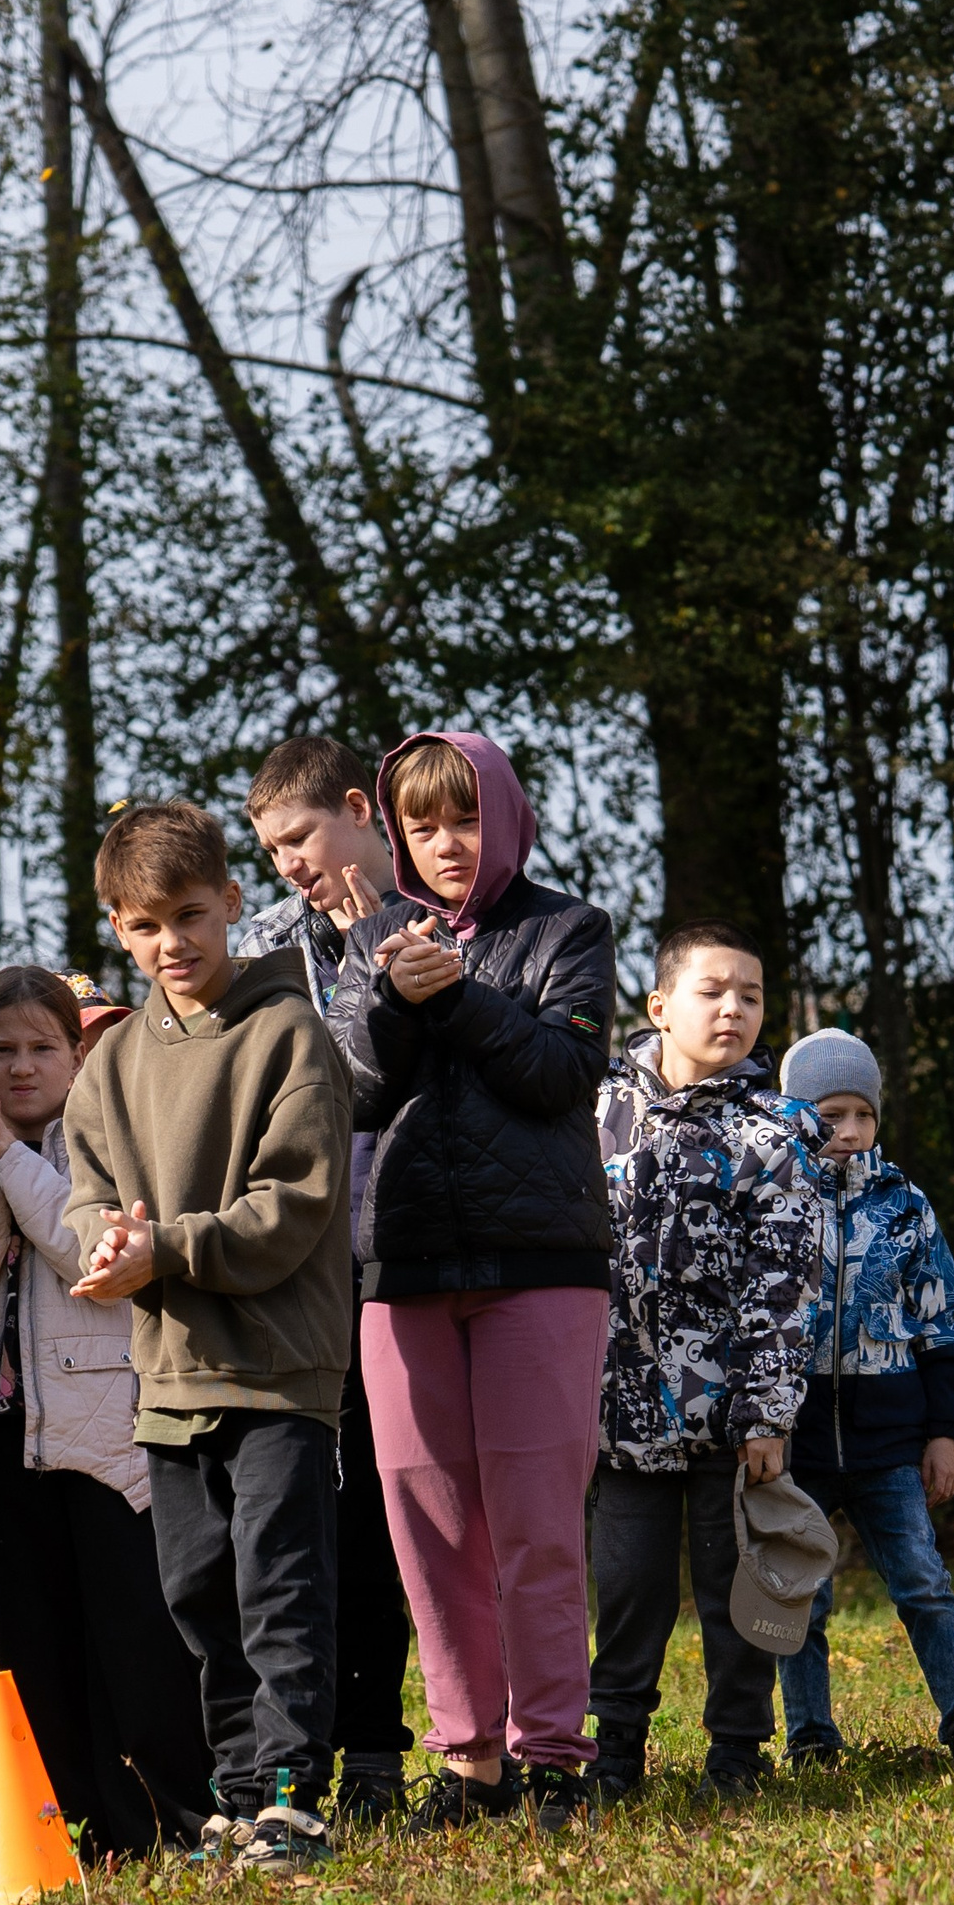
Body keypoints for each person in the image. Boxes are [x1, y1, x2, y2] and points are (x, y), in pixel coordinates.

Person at [321, 733, 616, 1836]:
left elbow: (560, 1072)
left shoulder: (567, 927)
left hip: (541, 1267)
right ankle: (471, 1761)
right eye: (422, 823)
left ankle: (551, 1759)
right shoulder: (373, 938)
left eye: (465, 819)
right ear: (395, 830)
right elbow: (351, 1085)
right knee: (427, 1528)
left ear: (504, 815)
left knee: (536, 1523)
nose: (446, 843)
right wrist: (396, 987)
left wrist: (452, 998)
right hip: (398, 1269)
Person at [62, 800, 353, 1874]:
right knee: (195, 1590)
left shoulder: (290, 1034)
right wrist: (106, 1246)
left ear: (233, 903)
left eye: (190, 914)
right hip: (167, 1372)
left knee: (278, 1583)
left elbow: (296, 1201)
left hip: (278, 1363)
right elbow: (89, 1196)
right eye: (143, 925)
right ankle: (236, 1795)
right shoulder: (114, 1061)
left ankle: (291, 1795)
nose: (170, 942)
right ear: (118, 929)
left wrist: (165, 1249)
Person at [0, 966, 214, 1858]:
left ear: (75, 1056)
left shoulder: (105, 1142)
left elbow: (88, 1255)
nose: (22, 1067)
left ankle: (167, 1817)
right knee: (37, 1641)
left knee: (133, 1633)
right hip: (3, 1435)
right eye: (1, 1050)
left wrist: (14, 1166)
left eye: (41, 1048)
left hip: (106, 1428)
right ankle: (69, 1825)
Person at [586, 926, 823, 1806]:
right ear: (659, 1007)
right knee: (629, 1588)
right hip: (619, 1406)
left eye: (752, 996)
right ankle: (614, 1751)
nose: (733, 1008)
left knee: (735, 1593)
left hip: (731, 1417)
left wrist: (768, 1411)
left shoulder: (776, 1127)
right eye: (713, 990)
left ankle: (737, 1749)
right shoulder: (599, 1104)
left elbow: (785, 1281)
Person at [235, 737, 419, 1824]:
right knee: (325, 1517)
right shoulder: (259, 950)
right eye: (269, 850)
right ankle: (346, 1745)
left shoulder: (443, 913)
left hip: (420, 1251)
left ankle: (419, 1746)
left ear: (360, 810)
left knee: (409, 1512)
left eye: (298, 838)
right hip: (307, 1270)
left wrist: (377, 954)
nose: (288, 865)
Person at [775, 1030, 954, 1772]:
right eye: (828, 1113)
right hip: (798, 1441)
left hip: (890, 1442)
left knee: (924, 1583)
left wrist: (946, 1431)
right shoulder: (775, 1201)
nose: (846, 1129)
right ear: (794, 1117)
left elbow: (941, 1320)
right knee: (800, 1600)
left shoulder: (905, 1205)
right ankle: (811, 1736)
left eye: (860, 1115)